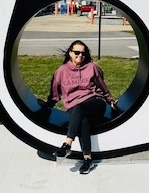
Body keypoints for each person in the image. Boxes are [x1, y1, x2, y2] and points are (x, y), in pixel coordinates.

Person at [50, 40, 117, 174]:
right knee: (83, 121)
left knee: (80, 109)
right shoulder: (61, 71)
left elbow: (102, 87)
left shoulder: (92, 67)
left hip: (95, 103)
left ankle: (67, 143)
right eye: (76, 52)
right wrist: (47, 105)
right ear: (70, 53)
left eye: (83, 53)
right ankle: (88, 160)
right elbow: (54, 93)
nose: (80, 55)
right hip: (75, 108)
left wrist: (110, 100)